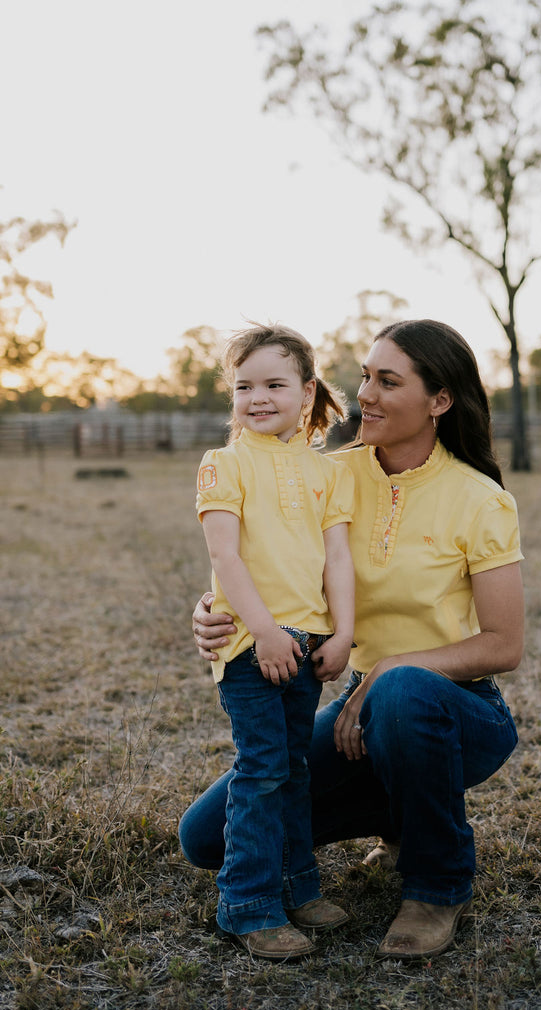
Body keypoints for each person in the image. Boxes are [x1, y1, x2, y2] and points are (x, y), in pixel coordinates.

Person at [183, 319, 524, 961]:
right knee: (205, 838)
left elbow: (504, 645)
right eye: (365, 376)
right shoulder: (329, 475)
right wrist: (210, 608)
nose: (364, 393)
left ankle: (436, 884)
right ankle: (391, 812)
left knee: (402, 692)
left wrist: (388, 670)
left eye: (388, 381)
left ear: (440, 401)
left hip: (450, 709)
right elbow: (257, 550)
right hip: (356, 713)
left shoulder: (481, 501)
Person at [195, 322, 356, 960]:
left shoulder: (327, 472)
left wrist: (343, 632)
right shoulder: (224, 464)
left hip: (309, 642)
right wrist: (262, 631)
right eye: (243, 386)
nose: (258, 397)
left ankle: (297, 886)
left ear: (307, 390)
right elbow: (224, 555)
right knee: (262, 770)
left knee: (296, 768)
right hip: (249, 645)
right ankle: (248, 904)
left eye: (273, 383)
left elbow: (337, 559)